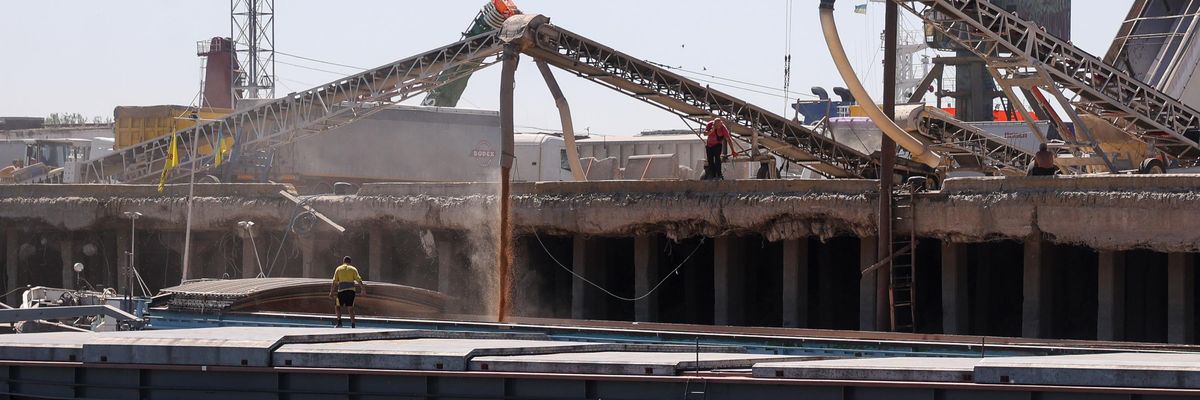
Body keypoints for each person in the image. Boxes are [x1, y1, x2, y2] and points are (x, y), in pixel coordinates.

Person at [329, 256, 366, 328]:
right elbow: (359, 280)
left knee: (337, 307)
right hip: (351, 291)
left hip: (341, 291)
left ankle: (339, 323)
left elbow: (334, 282)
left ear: (343, 261)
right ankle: (353, 325)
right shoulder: (353, 269)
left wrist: (331, 292)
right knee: (350, 308)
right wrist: (363, 289)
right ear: (350, 262)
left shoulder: (338, 269)